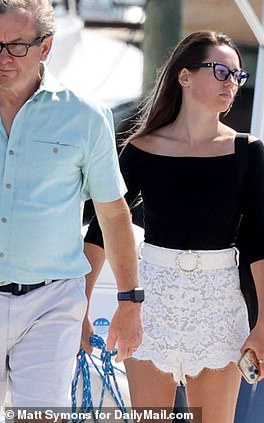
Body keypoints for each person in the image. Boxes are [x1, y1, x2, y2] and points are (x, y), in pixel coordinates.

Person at [84, 31, 264, 422]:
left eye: (237, 76)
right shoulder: (141, 149)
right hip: (150, 298)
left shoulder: (248, 151)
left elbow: (261, 241)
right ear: (184, 76)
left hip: (219, 302)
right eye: (221, 71)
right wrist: (81, 307)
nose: (231, 83)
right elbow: (103, 228)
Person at [0, 0, 142, 407]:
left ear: (45, 48)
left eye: (17, 46)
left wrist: (130, 299)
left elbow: (113, 213)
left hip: (51, 302)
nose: (4, 57)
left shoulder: (86, 116)